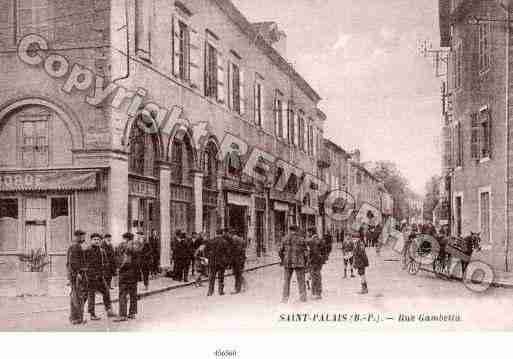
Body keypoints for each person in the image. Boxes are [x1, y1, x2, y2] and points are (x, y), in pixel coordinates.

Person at [85, 233, 115, 321]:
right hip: (91, 277)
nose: (97, 241)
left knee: (106, 292)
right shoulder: (87, 250)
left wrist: (104, 271)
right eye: (95, 239)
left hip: (100, 276)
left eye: (98, 240)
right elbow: (84, 263)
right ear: (91, 240)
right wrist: (87, 274)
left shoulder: (102, 251)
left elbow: (105, 262)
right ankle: (92, 314)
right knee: (91, 296)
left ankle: (109, 310)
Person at [114, 232, 141, 322]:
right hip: (134, 274)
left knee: (122, 294)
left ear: (125, 238)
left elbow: (120, 260)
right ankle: (132, 313)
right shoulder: (137, 246)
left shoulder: (122, 246)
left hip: (125, 273)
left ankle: (122, 315)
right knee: (133, 294)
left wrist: (118, 268)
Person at [279, 225, 308, 303]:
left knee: (286, 281)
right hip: (299, 262)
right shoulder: (301, 239)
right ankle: (303, 297)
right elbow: (306, 253)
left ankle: (285, 298)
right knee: (301, 280)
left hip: (287, 262)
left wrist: (283, 259)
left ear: (290, 230)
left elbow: (280, 251)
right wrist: (305, 261)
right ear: (297, 230)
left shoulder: (284, 238)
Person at [67, 229, 87, 325]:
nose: (84, 238)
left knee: (75, 296)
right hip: (76, 275)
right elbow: (73, 263)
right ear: (78, 236)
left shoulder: (74, 246)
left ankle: (74, 317)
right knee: (78, 296)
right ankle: (78, 318)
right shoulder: (76, 246)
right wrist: (78, 273)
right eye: (83, 236)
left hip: (73, 274)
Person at [206, 229, 230, 296]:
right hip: (221, 262)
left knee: (211, 277)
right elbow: (227, 253)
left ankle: (210, 291)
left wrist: (209, 257)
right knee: (221, 277)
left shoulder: (211, 241)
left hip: (213, 262)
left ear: (216, 233)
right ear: (222, 233)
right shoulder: (224, 242)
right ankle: (220, 291)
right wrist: (227, 262)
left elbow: (206, 251)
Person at [307, 228, 328, 300]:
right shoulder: (321, 240)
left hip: (313, 261)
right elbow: (325, 251)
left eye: (308, 232)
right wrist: (323, 260)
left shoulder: (310, 241)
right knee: (318, 276)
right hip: (319, 262)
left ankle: (315, 293)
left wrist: (309, 261)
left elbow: (312, 252)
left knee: (314, 277)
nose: (308, 234)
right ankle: (318, 293)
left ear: (311, 232)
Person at [228, 229, 247, 294]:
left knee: (237, 274)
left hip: (236, 259)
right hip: (241, 259)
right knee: (239, 273)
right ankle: (244, 285)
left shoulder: (233, 239)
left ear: (231, 233)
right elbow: (243, 250)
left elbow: (232, 250)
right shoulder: (242, 240)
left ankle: (237, 289)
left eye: (229, 234)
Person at [353, 230, 370, 294]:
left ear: (358, 238)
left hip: (361, 262)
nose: (354, 239)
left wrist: (365, 262)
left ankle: (364, 289)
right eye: (353, 238)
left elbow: (362, 254)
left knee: (362, 275)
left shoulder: (360, 244)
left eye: (355, 238)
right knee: (361, 275)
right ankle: (364, 288)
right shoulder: (357, 243)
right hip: (359, 262)